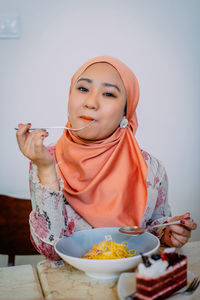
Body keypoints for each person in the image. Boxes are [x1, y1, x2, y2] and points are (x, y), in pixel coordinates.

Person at [16, 56, 197, 260]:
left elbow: (151, 227)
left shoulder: (151, 168)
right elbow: (51, 251)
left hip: (131, 284)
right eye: (83, 89)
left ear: (125, 113)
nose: (91, 103)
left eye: (109, 94)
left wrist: (166, 233)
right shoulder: (45, 159)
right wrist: (46, 170)